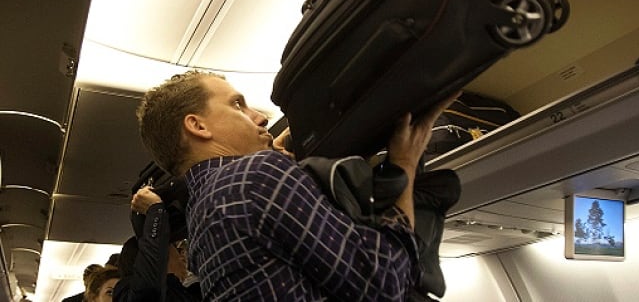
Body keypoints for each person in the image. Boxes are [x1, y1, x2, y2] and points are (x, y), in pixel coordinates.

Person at [136, 70, 457, 301]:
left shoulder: (201, 212)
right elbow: (386, 284)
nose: (259, 116)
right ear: (198, 125)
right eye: (237, 105)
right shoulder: (255, 176)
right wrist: (406, 161)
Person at [113, 186, 200, 301]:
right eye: (178, 249)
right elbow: (148, 289)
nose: (182, 257)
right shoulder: (126, 293)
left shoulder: (184, 292)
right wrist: (155, 212)